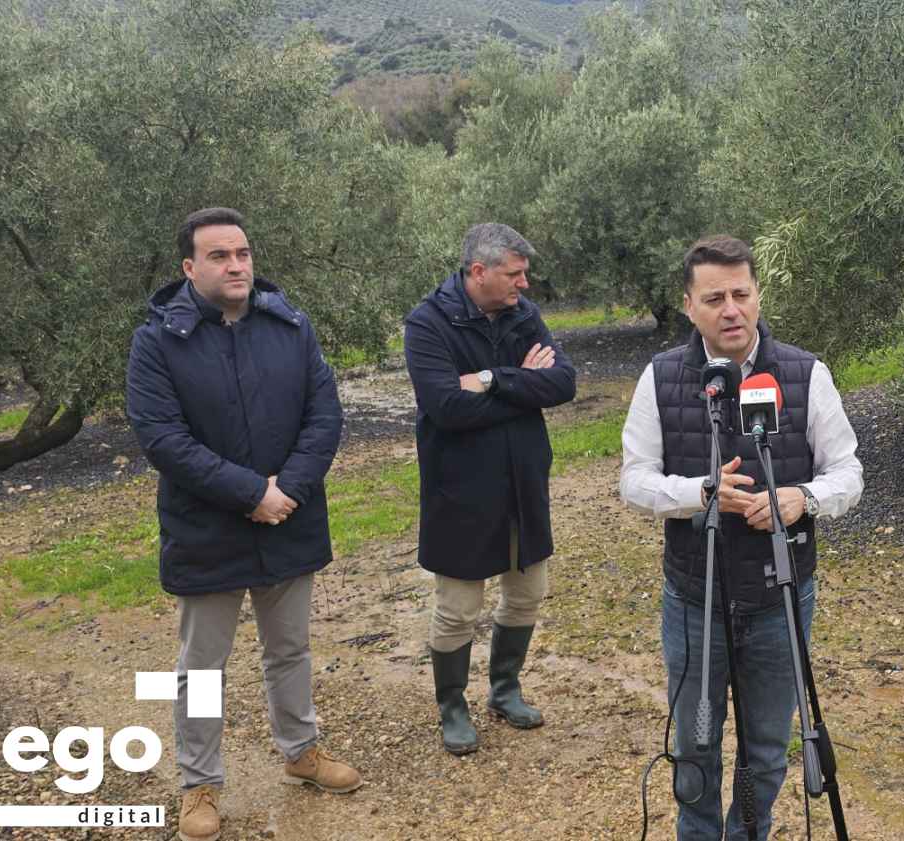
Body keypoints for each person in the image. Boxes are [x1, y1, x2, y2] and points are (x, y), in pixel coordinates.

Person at [126, 207, 360, 841]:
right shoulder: (157, 341)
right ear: (189, 268)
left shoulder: (290, 326)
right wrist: (250, 493)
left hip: (290, 518)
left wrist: (287, 490)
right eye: (220, 257)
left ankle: (301, 752)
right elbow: (164, 439)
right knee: (202, 668)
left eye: (243, 254)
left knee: (291, 650)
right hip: (208, 529)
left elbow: (324, 415)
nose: (236, 266)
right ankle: (198, 783)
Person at [618, 235, 863, 840]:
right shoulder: (661, 377)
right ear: (689, 306)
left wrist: (799, 499)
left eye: (741, 294)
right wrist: (698, 493)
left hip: (779, 597)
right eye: (715, 298)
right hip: (694, 599)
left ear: (757, 297)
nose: (731, 309)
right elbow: (634, 480)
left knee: (767, 749)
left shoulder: (807, 373)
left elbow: (848, 472)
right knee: (696, 748)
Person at [404, 222, 576, 756]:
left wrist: (489, 379)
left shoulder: (523, 314)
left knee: (526, 594)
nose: (525, 284)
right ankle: (451, 705)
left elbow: (563, 383)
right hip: (460, 487)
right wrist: (521, 384)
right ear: (479, 272)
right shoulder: (428, 323)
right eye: (515, 274)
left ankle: (505, 690)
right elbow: (447, 409)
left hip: (524, 482)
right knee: (458, 607)